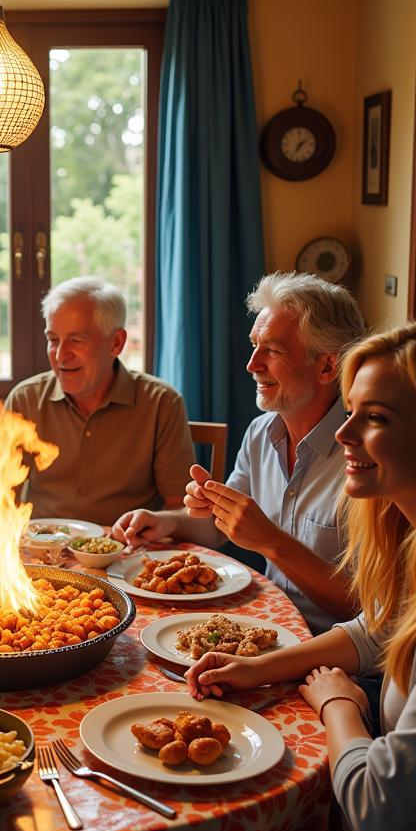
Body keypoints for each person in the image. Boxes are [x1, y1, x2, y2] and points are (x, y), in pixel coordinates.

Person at [186, 316, 416, 831]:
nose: (343, 432)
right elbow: (375, 629)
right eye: (350, 410)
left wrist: (338, 703)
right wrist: (255, 668)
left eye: (375, 418)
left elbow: (378, 811)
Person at [113, 272, 368, 634]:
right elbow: (217, 530)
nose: (252, 365)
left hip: (336, 655)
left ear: (327, 366)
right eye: (254, 345)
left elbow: (367, 608)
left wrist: (271, 542)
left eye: (273, 350)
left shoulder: (367, 459)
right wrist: (166, 521)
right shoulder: (261, 433)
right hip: (269, 627)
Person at [4, 276, 194, 525]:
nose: (60, 355)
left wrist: (158, 522)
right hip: (42, 554)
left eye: (76, 340)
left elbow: (182, 508)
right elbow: (0, 495)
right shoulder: (25, 400)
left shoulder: (161, 404)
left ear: (116, 343)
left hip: (126, 556)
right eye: (53, 340)